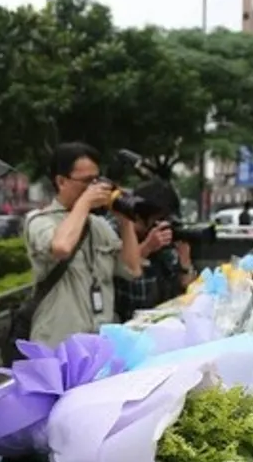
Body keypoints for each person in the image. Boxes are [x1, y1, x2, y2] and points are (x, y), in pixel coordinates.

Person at [25, 142, 142, 347]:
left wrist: (126, 221)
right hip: (58, 345)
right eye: (87, 182)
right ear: (61, 182)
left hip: (99, 342)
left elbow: (132, 269)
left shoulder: (99, 226)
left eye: (97, 180)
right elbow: (61, 247)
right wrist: (85, 202)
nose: (95, 188)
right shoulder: (39, 221)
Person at [113, 181, 197, 321]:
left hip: (162, 323)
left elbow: (187, 293)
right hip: (125, 324)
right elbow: (120, 269)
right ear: (139, 216)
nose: (163, 225)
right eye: (159, 219)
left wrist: (185, 262)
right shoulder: (117, 231)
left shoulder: (166, 246)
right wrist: (147, 247)